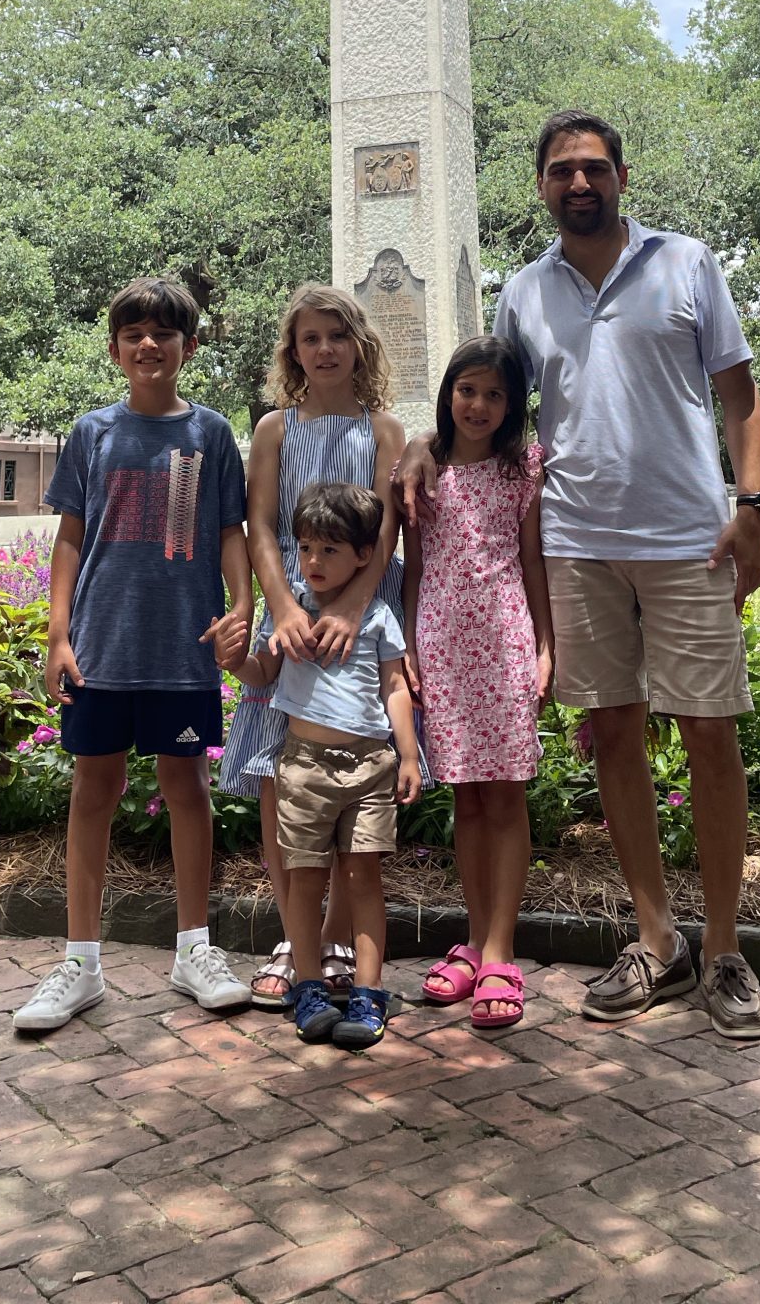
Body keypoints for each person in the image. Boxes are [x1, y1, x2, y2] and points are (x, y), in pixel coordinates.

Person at [399, 110, 760, 1039]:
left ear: (621, 177)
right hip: (572, 541)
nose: (579, 182)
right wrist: (420, 445)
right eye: (562, 170)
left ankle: (725, 950)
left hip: (689, 538)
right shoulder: (524, 294)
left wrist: (751, 508)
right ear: (541, 186)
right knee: (612, 734)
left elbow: (739, 395)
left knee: (710, 734)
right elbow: (489, 406)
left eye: (595, 168)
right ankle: (658, 940)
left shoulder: (687, 264)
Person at [13, 276, 254, 1033]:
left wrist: (242, 607)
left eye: (164, 333)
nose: (149, 344)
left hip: (183, 646)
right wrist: (58, 634)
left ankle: (194, 949)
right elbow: (70, 538)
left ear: (190, 346)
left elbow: (230, 532)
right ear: (116, 349)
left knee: (188, 787)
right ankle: (80, 962)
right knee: (94, 790)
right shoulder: (92, 433)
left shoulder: (211, 434)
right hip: (102, 647)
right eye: (134, 334)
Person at [217, 285, 406, 1009]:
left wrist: (355, 606)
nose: (324, 349)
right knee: (281, 775)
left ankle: (332, 939)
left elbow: (387, 529)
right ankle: (292, 943)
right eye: (310, 338)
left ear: (360, 343)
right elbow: (260, 526)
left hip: (361, 610)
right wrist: (284, 608)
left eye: (337, 335)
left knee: (355, 771)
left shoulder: (384, 430)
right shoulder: (274, 428)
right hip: (293, 614)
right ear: (293, 352)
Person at [220, 482, 420, 1049]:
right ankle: (309, 988)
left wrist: (408, 755)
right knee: (304, 880)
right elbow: (262, 673)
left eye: (330, 550)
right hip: (302, 769)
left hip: (369, 768)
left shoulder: (376, 617)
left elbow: (395, 687)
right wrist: (234, 661)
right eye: (306, 548)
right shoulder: (289, 614)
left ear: (364, 555)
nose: (313, 561)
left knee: (364, 880)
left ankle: (369, 991)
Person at [404, 336, 553, 1029]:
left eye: (495, 394)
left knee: (506, 796)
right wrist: (409, 646)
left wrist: (545, 646)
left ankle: (501, 949)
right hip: (442, 646)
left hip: (505, 644)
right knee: (466, 798)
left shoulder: (522, 469)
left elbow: (533, 561)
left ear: (512, 404)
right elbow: (412, 567)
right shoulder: (422, 470)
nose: (479, 405)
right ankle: (472, 938)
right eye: (467, 390)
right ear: (448, 393)